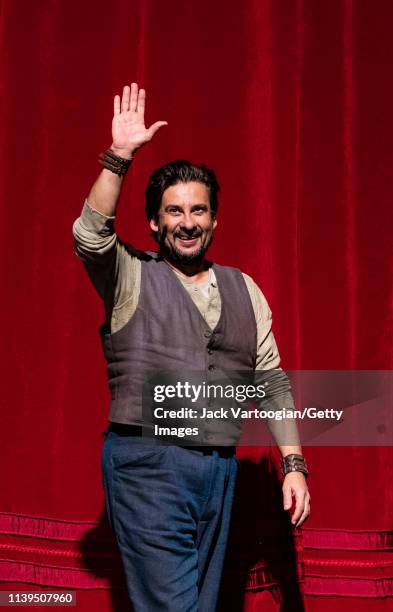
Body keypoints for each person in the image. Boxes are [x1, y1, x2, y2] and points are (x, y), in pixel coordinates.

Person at [73, 82, 310, 611]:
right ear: (155, 222)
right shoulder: (129, 275)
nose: (187, 223)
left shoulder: (243, 288)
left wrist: (294, 464)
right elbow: (90, 236)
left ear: (214, 220)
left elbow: (270, 381)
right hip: (147, 464)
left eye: (198, 211)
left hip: (218, 470)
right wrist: (118, 158)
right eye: (174, 212)